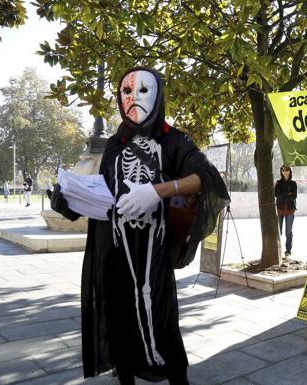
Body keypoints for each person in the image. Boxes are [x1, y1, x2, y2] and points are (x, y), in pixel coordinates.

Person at [48, 67, 229, 385]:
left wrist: (159, 190)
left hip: (154, 245)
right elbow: (103, 193)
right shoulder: (116, 144)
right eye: (126, 92)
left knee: (160, 314)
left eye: (143, 90)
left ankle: (177, 379)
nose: (133, 98)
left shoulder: (173, 140)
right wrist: (68, 200)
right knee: (119, 315)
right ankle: (126, 377)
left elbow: (208, 178)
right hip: (114, 245)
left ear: (158, 94)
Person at [275, 165, 297, 256]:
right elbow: (276, 194)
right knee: (278, 231)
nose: (285, 172)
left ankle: (288, 251)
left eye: (287, 170)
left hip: (290, 210)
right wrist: (287, 193)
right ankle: (277, 250)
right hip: (279, 209)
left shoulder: (293, 183)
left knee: (288, 232)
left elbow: (294, 196)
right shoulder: (278, 183)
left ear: (290, 171)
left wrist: (282, 195)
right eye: (283, 170)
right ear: (281, 172)